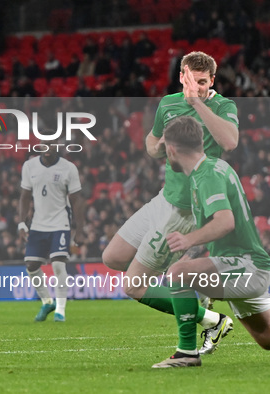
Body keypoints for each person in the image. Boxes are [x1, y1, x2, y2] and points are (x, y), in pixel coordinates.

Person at [102, 51, 239, 350]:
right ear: (181, 77)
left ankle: (207, 322)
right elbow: (152, 144)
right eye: (192, 80)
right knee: (111, 258)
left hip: (186, 210)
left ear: (212, 81)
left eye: (203, 82)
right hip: (163, 199)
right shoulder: (167, 104)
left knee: (133, 285)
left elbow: (230, 142)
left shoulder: (223, 106)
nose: (197, 87)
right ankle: (209, 316)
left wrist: (198, 103)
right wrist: (159, 145)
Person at [152, 116, 270, 368]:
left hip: (246, 266)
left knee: (176, 274)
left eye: (164, 150)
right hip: (240, 263)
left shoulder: (207, 177)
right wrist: (195, 254)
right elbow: (222, 230)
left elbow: (225, 222)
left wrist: (187, 240)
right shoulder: (213, 168)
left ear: (172, 149)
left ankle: (186, 352)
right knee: (266, 338)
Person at [18, 144, 85, 322]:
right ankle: (47, 302)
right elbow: (24, 196)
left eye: (51, 144)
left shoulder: (68, 168)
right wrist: (21, 223)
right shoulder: (29, 166)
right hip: (38, 224)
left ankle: (60, 310)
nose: (47, 148)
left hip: (60, 222)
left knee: (57, 265)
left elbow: (77, 200)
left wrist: (79, 229)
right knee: (31, 265)